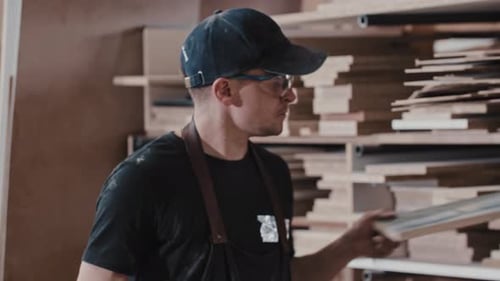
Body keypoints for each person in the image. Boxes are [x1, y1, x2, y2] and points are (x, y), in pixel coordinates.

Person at [76, 8, 399, 281]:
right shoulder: (142, 181)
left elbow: (281, 275)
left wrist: (349, 246)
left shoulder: (274, 174)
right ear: (224, 91)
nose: (291, 94)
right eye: (277, 81)